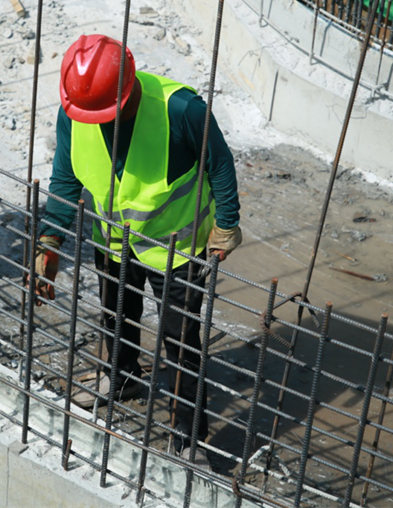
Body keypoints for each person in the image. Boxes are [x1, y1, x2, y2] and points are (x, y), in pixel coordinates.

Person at [34, 34, 241, 467]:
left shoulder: (181, 109)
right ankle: (123, 375)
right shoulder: (77, 112)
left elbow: (219, 163)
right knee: (116, 313)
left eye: (109, 112)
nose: (99, 122)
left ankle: (188, 431)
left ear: (128, 90)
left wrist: (226, 225)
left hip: (177, 249)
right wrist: (50, 240)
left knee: (179, 341)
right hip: (114, 241)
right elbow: (65, 177)